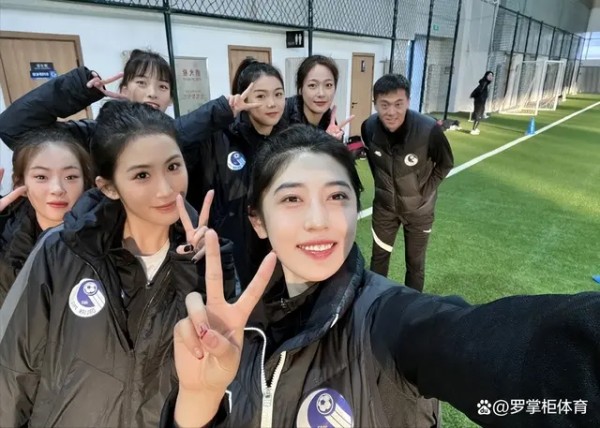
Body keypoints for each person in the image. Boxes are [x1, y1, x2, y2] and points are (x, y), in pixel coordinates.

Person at [160, 125, 599, 428]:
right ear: (258, 220)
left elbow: (503, 347)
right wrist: (199, 396)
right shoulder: (236, 329)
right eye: (292, 199)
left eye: (337, 196)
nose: (319, 220)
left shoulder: (389, 320)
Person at [0, 101, 236, 427]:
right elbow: (14, 372)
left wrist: (193, 272)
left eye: (173, 166)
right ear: (108, 187)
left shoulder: (208, 264)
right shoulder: (63, 250)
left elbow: (211, 388)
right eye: (142, 175)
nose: (166, 189)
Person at [0, 49, 235, 153]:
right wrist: (77, 90)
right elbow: (14, 129)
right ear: (123, 90)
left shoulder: (186, 139)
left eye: (162, 86)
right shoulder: (92, 136)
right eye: (141, 82)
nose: (152, 93)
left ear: (170, 99)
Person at [185, 59, 287, 290]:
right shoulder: (220, 137)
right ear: (244, 99)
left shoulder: (287, 139)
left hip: (274, 249)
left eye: (278, 94)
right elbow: (176, 138)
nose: (272, 103)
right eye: (260, 96)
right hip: (232, 253)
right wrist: (219, 111)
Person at [361, 73, 454, 291]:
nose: (391, 112)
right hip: (385, 209)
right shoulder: (369, 127)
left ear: (408, 102)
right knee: (378, 261)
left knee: (415, 266)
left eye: (398, 104)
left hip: (420, 212)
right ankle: (375, 303)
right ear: (375, 103)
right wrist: (384, 187)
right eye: (384, 105)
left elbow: (446, 163)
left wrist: (423, 193)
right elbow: (375, 163)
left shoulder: (428, 129)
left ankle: (412, 307)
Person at [0, 127, 93, 306]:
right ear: (20, 184)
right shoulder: (6, 244)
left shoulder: (110, 238)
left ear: (85, 182)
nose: (57, 189)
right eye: (41, 177)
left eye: (70, 177)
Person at [284, 54, 353, 140]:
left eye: (328, 85)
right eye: (312, 85)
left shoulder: (329, 122)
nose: (321, 94)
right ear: (300, 89)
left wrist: (333, 143)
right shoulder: (282, 114)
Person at [469, 71, 494, 135]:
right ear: (486, 76)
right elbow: (479, 91)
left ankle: (475, 128)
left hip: (481, 102)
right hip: (479, 102)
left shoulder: (486, 83)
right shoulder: (484, 82)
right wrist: (480, 99)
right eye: (489, 75)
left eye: (492, 76)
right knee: (478, 115)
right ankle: (473, 129)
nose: (491, 77)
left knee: (480, 114)